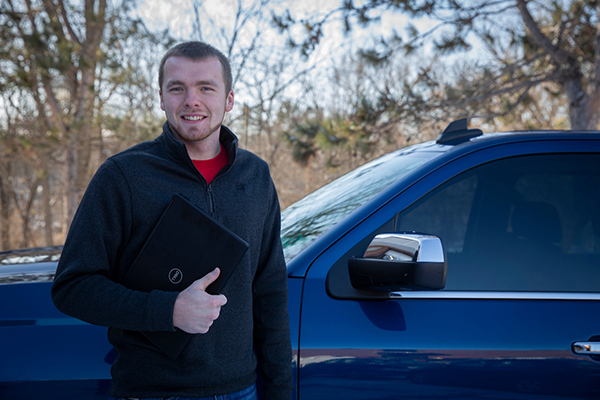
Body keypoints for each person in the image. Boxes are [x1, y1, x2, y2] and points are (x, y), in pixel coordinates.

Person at [51, 41, 292, 400]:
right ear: (161, 98)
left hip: (240, 391)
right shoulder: (123, 176)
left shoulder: (255, 176)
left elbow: (269, 291)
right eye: (177, 88)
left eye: (206, 88)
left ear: (228, 100)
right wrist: (166, 311)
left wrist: (279, 393)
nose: (191, 100)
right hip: (152, 392)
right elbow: (72, 287)